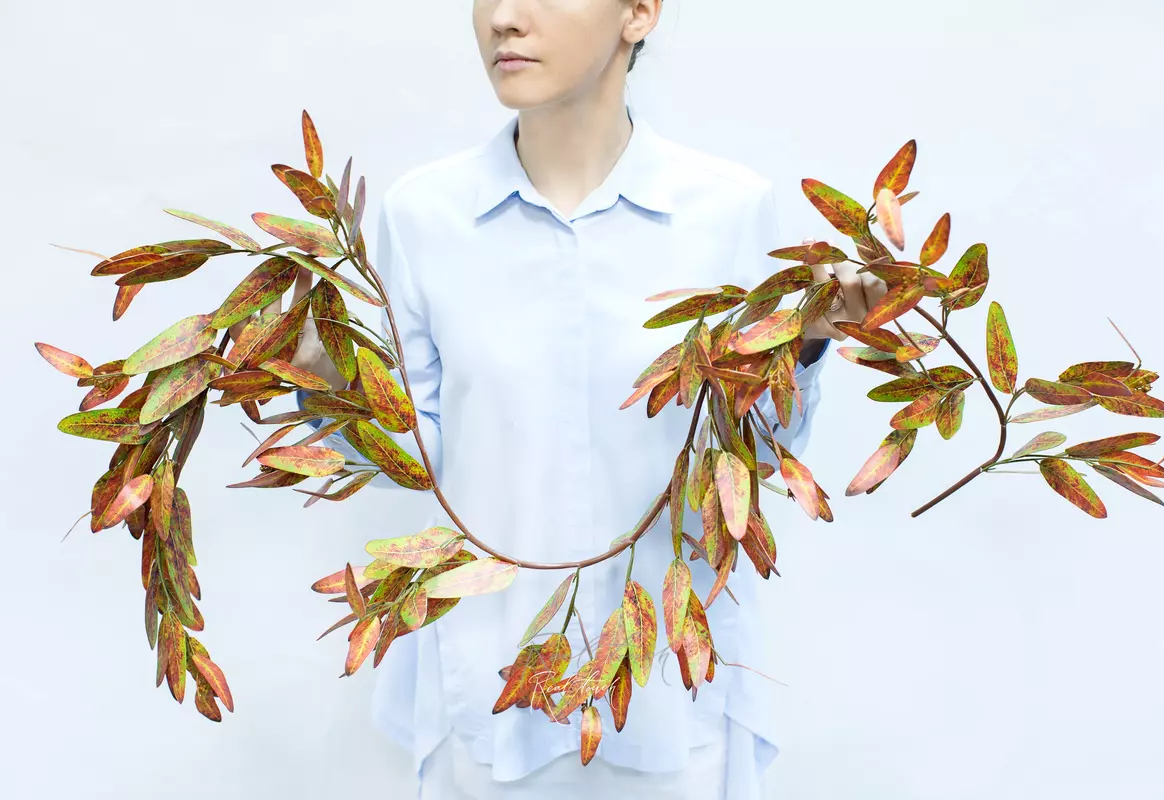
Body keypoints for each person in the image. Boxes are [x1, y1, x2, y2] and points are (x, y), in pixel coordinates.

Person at [237, 1, 886, 796]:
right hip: (489, 690)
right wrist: (328, 381)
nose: (505, 19)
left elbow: (747, 462)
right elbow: (424, 459)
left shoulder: (726, 210)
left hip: (672, 696)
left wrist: (806, 340)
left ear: (638, 13)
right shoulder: (425, 214)